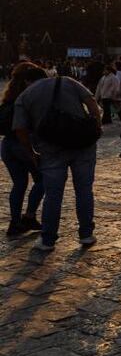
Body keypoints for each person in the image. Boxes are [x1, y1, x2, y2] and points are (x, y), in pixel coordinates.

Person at [12, 66, 102, 250]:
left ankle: (48, 239)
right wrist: (96, 126)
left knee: (53, 194)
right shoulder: (68, 81)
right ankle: (86, 234)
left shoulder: (25, 96)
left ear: (27, 81)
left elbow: (19, 128)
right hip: (82, 144)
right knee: (84, 190)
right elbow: (92, 102)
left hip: (51, 148)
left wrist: (31, 152)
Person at [1, 63, 47, 237]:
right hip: (24, 143)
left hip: (7, 145)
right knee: (42, 179)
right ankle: (29, 215)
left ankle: (15, 223)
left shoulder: (10, 95)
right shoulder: (29, 96)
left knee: (19, 184)